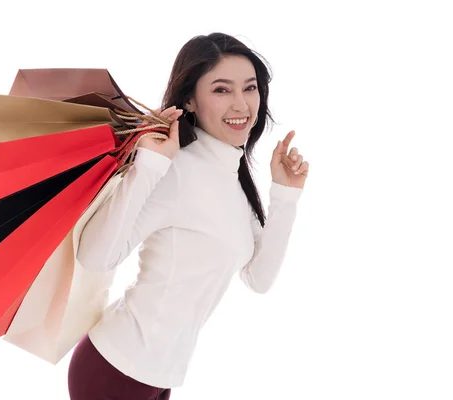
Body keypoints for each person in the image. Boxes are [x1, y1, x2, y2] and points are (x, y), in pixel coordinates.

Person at [67, 32, 309, 400]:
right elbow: (95, 256)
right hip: (115, 371)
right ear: (190, 101)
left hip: (159, 374)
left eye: (250, 88)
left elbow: (259, 278)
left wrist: (286, 195)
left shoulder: (232, 177)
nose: (242, 104)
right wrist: (147, 167)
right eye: (222, 90)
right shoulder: (177, 169)